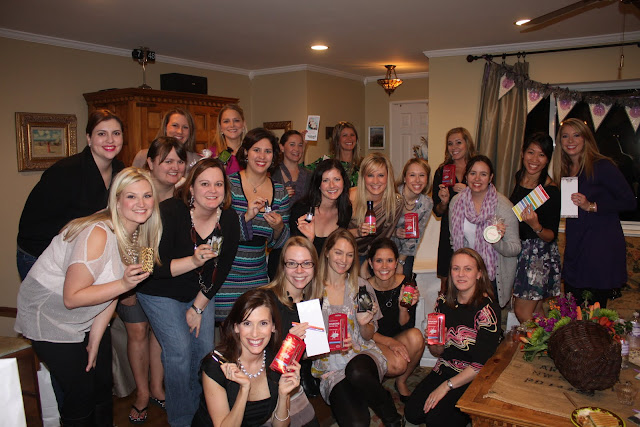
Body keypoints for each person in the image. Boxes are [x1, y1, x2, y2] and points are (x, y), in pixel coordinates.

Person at [15, 167, 162, 427]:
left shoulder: (143, 234)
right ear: (116, 200)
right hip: (49, 317)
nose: (141, 203)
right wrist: (123, 283)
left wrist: (95, 337)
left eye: (147, 196)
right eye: (131, 196)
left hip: (87, 316)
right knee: (80, 395)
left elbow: (114, 290)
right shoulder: (97, 233)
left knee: (102, 385)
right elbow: (72, 297)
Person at [137, 158, 240, 426]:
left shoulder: (229, 219)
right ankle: (182, 419)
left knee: (204, 350)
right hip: (158, 290)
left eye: (218, 184)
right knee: (180, 352)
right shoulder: (168, 212)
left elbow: (222, 269)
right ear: (191, 188)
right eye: (204, 184)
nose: (212, 190)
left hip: (199, 291)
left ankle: (200, 413)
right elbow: (148, 265)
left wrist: (197, 307)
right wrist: (193, 261)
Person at [117, 136, 188, 421]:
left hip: (162, 280)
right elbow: (134, 243)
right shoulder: (137, 192)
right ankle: (142, 394)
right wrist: (130, 288)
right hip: (129, 274)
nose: (174, 167)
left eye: (179, 161)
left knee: (160, 335)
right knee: (137, 332)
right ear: (151, 162)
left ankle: (158, 388)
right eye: (167, 161)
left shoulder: (183, 197)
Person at [17, 109, 125, 280]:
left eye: (116, 133)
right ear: (89, 138)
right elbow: (44, 226)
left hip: (78, 255)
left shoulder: (120, 171)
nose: (110, 140)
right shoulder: (65, 172)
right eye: (101, 133)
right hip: (40, 255)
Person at [312, 229, 403, 427]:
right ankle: (364, 393)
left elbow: (369, 335)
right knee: (357, 423)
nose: (343, 260)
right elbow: (312, 347)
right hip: (331, 367)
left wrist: (364, 325)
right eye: (338, 252)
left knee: (357, 372)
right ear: (327, 252)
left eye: (349, 254)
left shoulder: (361, 287)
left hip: (362, 355)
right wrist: (328, 345)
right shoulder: (312, 289)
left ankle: (392, 417)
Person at [404, 248, 501, 427]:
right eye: (456, 268)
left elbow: (480, 365)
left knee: (435, 421)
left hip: (472, 376)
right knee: (412, 414)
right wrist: (436, 342)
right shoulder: (443, 301)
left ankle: (468, 412)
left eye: (468, 269)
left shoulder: (487, 310)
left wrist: (445, 387)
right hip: (445, 367)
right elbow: (437, 352)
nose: (461, 274)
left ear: (479, 273)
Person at [551, 118, 636, 307]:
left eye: (576, 135)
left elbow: (630, 201)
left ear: (586, 138)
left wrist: (592, 206)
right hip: (576, 245)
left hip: (599, 246)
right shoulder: (566, 169)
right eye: (565, 136)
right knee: (572, 308)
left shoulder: (602, 166)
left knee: (594, 311)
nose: (570, 141)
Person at [192, 289, 301, 427]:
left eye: (263, 323)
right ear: (236, 327)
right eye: (247, 323)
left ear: (273, 327)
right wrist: (244, 390)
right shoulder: (216, 366)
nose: (255, 333)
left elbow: (280, 425)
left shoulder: (277, 362)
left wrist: (284, 395)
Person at [216, 128, 290, 321]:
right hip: (225, 277)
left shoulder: (279, 191)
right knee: (229, 334)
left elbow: (282, 243)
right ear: (246, 152)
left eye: (268, 151)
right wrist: (246, 217)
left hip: (257, 278)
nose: (262, 156)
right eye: (256, 150)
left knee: (255, 330)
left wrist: (279, 228)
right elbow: (216, 231)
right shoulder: (227, 185)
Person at [449, 155, 520, 308]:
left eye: (483, 174)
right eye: (473, 173)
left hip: (492, 277)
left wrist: (497, 241)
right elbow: (453, 240)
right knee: (465, 318)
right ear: (466, 176)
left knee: (488, 320)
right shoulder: (456, 203)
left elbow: (515, 248)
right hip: (465, 275)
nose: (477, 178)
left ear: (490, 177)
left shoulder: (503, 206)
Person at [263, 236, 323, 409]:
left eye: (306, 263)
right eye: (292, 263)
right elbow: (255, 356)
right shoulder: (266, 300)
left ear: (315, 266)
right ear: (283, 267)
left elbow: (304, 355)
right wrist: (288, 345)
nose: (299, 270)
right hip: (264, 385)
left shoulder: (312, 302)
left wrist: (330, 345)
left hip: (289, 381)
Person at [509, 133, 561, 323]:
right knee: (537, 312)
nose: (534, 159)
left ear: (547, 159)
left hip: (538, 255)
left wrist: (536, 225)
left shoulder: (550, 190)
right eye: (531, 152)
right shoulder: (519, 177)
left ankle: (542, 341)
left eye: (541, 155)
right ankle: (550, 341)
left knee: (522, 311)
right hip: (519, 250)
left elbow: (550, 236)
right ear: (523, 153)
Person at [367, 238, 425, 403]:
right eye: (379, 261)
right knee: (397, 364)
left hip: (397, 336)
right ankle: (375, 380)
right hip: (373, 340)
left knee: (416, 336)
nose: (384, 266)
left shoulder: (407, 284)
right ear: (371, 263)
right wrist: (390, 343)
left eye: (389, 260)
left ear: (396, 263)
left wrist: (402, 307)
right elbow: (364, 331)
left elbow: (406, 325)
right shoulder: (363, 288)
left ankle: (401, 381)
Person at [432, 127, 477, 293]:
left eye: (458, 142)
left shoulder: (477, 167)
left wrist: (470, 191)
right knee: (447, 282)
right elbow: (437, 211)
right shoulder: (442, 171)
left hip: (474, 230)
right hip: (449, 231)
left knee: (473, 279)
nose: (454, 147)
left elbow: (489, 198)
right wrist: (444, 202)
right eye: (450, 144)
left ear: (467, 144)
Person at [348, 153, 403, 277]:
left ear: (388, 177)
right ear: (363, 177)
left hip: (373, 256)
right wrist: (357, 232)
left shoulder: (395, 203)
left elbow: (384, 237)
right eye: (370, 175)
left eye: (381, 175)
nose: (376, 181)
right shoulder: (350, 198)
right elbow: (335, 234)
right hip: (347, 253)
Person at [290, 159, 352, 258]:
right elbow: (295, 255)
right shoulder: (301, 210)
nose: (332, 185)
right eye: (325, 180)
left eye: (337, 179)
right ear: (318, 184)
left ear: (344, 182)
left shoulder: (346, 209)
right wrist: (309, 240)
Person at [392, 158, 434, 277]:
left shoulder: (426, 203)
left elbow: (415, 237)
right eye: (412, 175)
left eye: (422, 175)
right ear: (405, 178)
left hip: (406, 252)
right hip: (383, 247)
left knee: (404, 279)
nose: (417, 180)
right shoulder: (392, 196)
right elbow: (379, 227)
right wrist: (394, 232)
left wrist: (400, 262)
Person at [132, 108, 200, 171]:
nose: (180, 131)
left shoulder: (197, 160)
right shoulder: (143, 157)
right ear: (165, 127)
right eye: (175, 125)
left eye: (185, 127)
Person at [307, 121, 360, 187]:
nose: (349, 138)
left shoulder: (362, 165)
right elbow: (302, 173)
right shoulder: (326, 161)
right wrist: (303, 146)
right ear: (337, 140)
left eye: (352, 135)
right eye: (345, 135)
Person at [272, 130, 311, 206]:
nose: (297, 149)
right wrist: (279, 196)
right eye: (292, 144)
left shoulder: (309, 176)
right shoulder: (272, 174)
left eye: (300, 145)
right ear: (282, 147)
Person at [210, 104, 246, 175]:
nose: (232, 125)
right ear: (220, 127)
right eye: (226, 121)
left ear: (243, 124)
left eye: (236, 120)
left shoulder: (253, 152)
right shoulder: (211, 154)